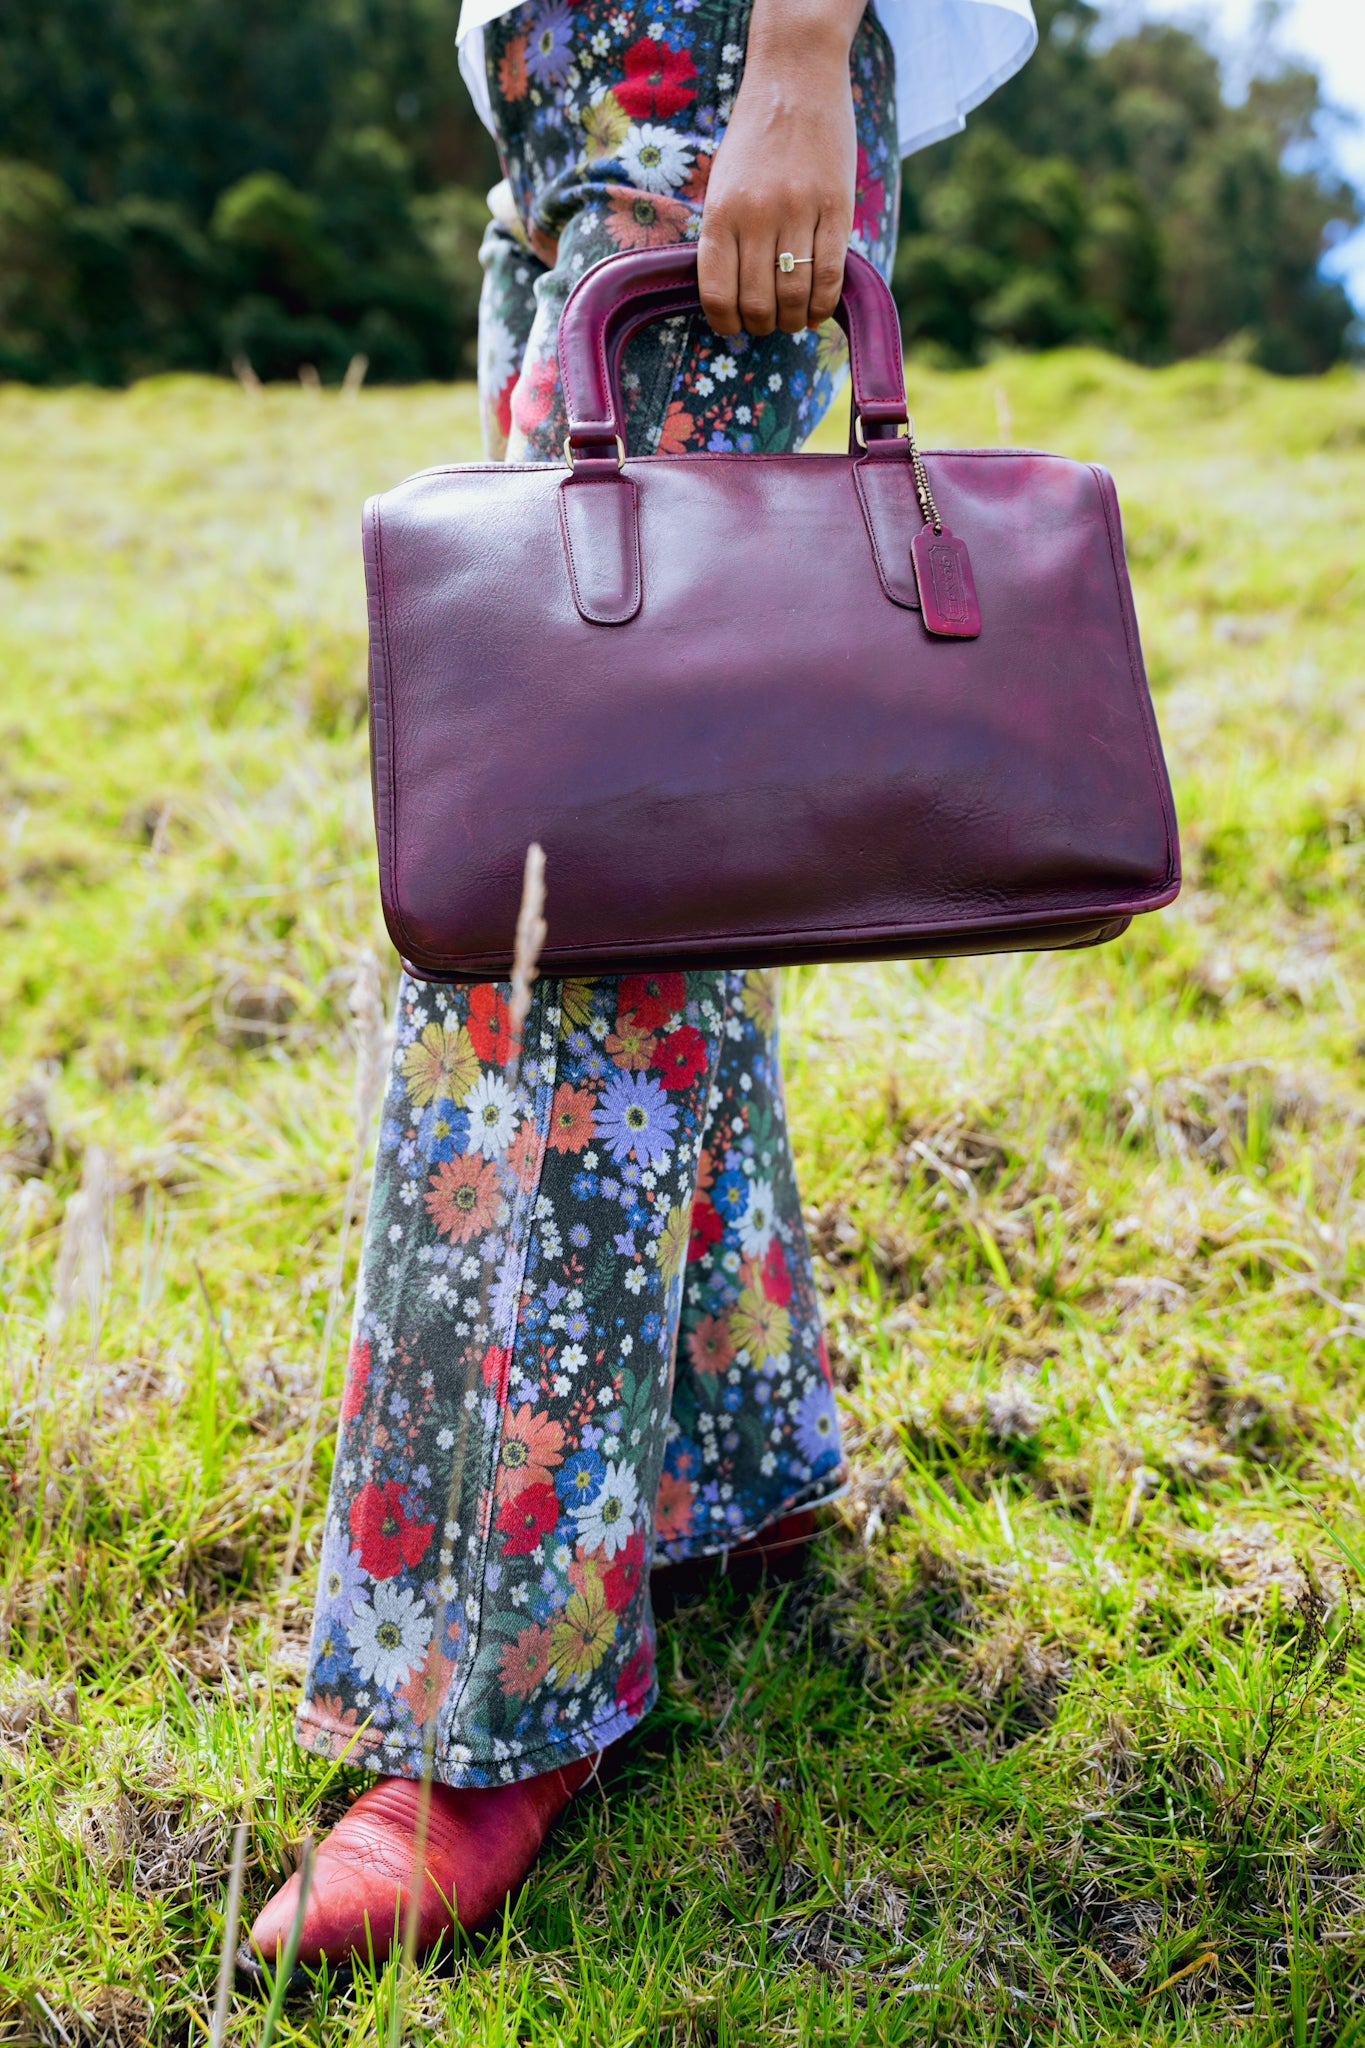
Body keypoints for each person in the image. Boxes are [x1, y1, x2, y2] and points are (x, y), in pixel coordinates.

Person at [243, 0, 1036, 1978]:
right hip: (569, 89)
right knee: (655, 825)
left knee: (553, 875)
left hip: (688, 59)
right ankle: (733, 1458)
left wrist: (786, 48)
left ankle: (482, 1708)